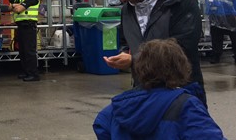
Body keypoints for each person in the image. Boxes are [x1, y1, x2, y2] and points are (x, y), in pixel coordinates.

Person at [103, 0, 205, 103]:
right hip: (144, 92)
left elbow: (183, 47)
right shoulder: (127, 10)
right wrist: (124, 53)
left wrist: (134, 60)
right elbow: (127, 41)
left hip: (181, 92)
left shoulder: (181, 1)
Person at [93, 38, 225, 139]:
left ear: (139, 67)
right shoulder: (186, 106)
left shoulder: (117, 107)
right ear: (181, 68)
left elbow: (101, 126)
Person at [204, 0, 236, 65]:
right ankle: (216, 56)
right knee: (216, 38)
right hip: (215, 15)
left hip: (230, 15)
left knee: (234, 37)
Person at [11, 0, 40, 82]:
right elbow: (12, 7)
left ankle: (33, 74)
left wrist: (15, 6)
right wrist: (15, 6)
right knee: (22, 51)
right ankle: (26, 72)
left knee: (29, 51)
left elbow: (18, 9)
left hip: (29, 26)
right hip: (21, 26)